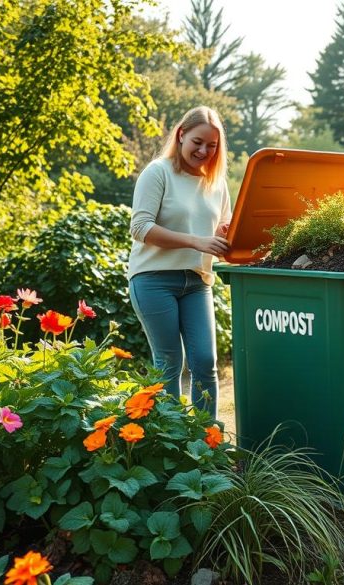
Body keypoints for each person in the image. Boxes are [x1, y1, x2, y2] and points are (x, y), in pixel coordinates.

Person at [127, 106, 233, 417]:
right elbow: (140, 227)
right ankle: (171, 443)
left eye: (211, 146)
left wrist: (224, 234)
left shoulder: (217, 184)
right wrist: (196, 240)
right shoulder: (158, 172)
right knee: (169, 362)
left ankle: (206, 442)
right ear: (181, 134)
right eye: (197, 142)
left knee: (204, 361)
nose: (203, 151)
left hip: (197, 281)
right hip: (153, 279)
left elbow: (218, 233)